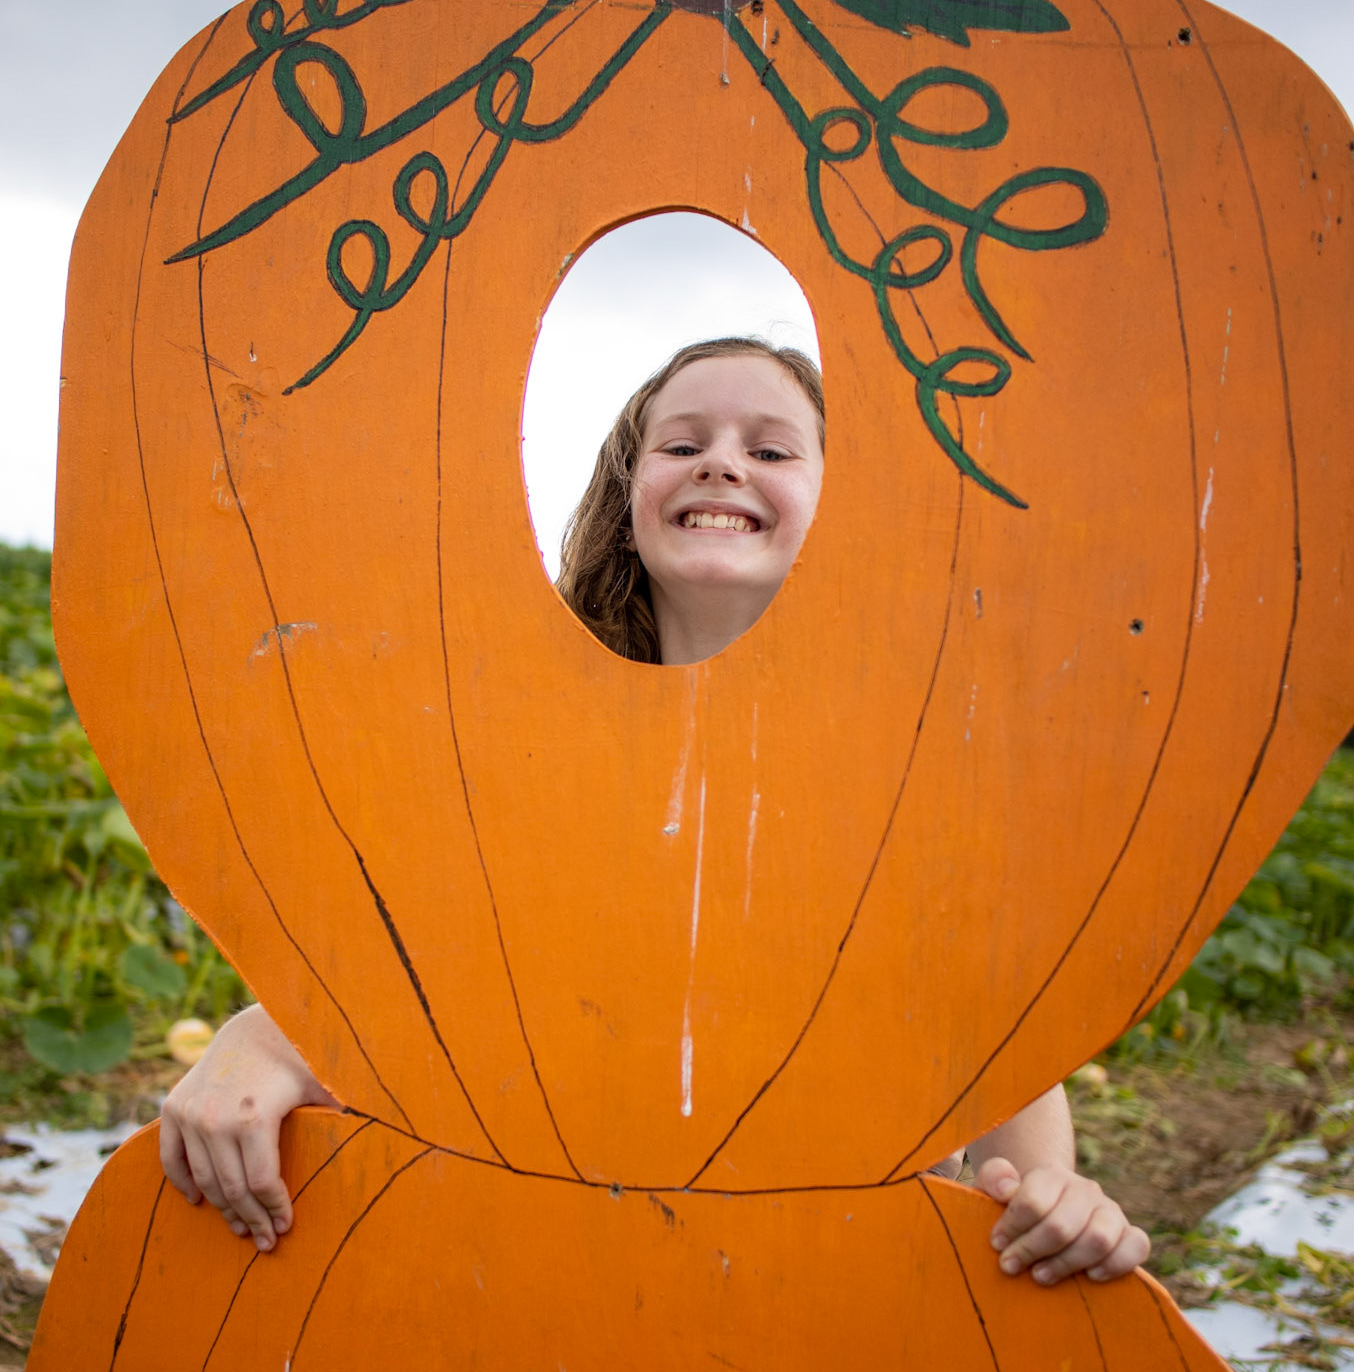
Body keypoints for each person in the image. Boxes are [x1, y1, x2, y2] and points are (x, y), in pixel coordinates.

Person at [160, 336, 1150, 1287]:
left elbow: (992, 1022)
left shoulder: (924, 762)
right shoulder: (512, 734)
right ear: (629, 496)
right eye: (683, 444)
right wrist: (266, 1033)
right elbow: (420, 947)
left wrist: (1052, 1187)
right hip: (541, 1239)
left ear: (845, 506)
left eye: (769, 448)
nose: (722, 464)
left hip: (832, 1261)